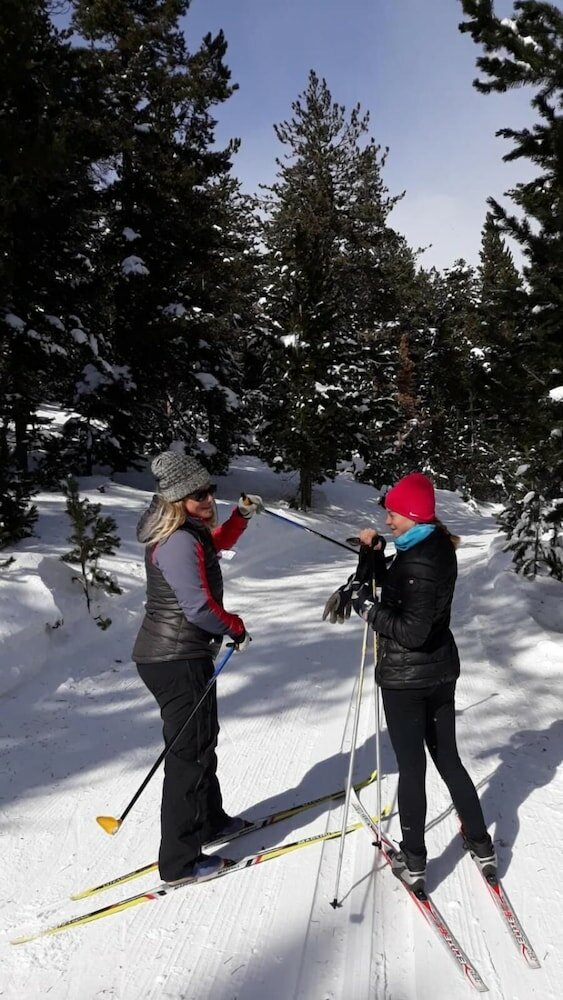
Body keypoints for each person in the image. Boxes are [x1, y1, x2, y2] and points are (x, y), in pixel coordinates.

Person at [323, 471, 495, 892]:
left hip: (408, 677)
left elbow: (411, 630)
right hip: (438, 671)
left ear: (414, 515)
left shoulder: (419, 558)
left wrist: (367, 608)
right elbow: (401, 584)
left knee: (413, 767)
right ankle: (481, 843)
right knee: (447, 758)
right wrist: (374, 554)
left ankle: (414, 861)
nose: (388, 520)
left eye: (394, 515)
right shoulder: (430, 544)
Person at [132, 450, 263, 885]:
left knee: (202, 741)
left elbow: (215, 544)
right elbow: (198, 607)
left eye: (210, 490)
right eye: (198, 495)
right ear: (176, 500)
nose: (208, 499)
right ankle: (180, 862)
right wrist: (236, 627)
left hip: (183, 654)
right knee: (188, 757)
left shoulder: (187, 531)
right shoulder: (175, 541)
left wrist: (240, 517)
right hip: (175, 658)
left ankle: (209, 821)